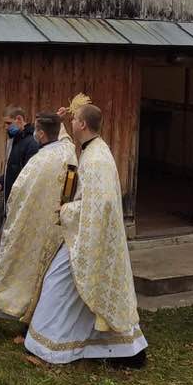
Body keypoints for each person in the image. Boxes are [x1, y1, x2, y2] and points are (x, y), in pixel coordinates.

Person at [25, 104, 146, 366]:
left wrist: (66, 210)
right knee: (80, 293)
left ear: (82, 124)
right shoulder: (93, 150)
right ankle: (117, 350)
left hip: (90, 239)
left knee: (57, 285)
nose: (71, 123)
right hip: (84, 234)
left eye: (74, 119)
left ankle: (52, 347)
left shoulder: (97, 159)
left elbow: (100, 204)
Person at [0, 111, 77, 333]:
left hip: (30, 226)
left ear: (40, 134)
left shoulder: (40, 161)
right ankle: (22, 317)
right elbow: (69, 184)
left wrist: (12, 220)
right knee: (42, 277)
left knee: (11, 268)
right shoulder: (67, 151)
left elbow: (19, 193)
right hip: (56, 227)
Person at [0, 105, 40, 206]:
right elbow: (13, 169)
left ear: (19, 119)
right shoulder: (16, 139)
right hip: (11, 199)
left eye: (9, 123)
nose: (6, 127)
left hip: (21, 201)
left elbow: (28, 175)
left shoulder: (32, 142)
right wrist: (2, 183)